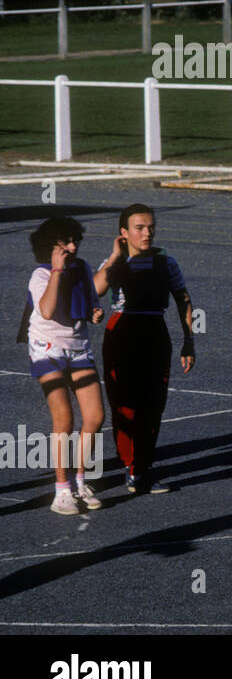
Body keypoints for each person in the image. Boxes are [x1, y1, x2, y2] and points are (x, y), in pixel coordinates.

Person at [95, 204, 195, 495]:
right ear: (123, 233)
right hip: (122, 331)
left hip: (155, 331)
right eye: (139, 227)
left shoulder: (167, 262)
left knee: (153, 404)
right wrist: (115, 257)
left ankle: (141, 469)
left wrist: (189, 342)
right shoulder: (115, 261)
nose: (147, 232)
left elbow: (184, 300)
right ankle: (129, 464)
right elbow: (96, 289)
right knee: (124, 404)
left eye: (151, 227)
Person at [20, 217, 107, 514]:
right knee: (64, 419)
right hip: (47, 348)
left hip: (78, 346)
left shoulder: (82, 267)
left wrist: (96, 312)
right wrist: (57, 270)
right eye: (65, 242)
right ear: (50, 247)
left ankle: (80, 480)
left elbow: (93, 302)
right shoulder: (40, 275)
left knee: (95, 416)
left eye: (74, 240)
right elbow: (45, 310)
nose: (72, 246)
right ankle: (61, 491)